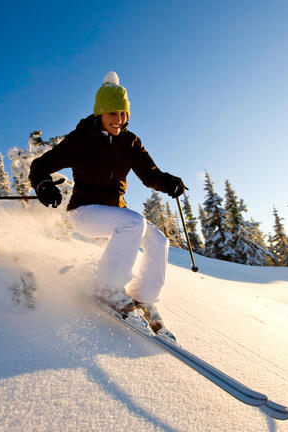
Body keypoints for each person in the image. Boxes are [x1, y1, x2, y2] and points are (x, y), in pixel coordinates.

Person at [29, 71, 185, 341]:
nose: (119, 120)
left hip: (116, 213)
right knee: (133, 222)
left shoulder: (130, 141)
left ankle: (145, 298)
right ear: (100, 112)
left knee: (158, 240)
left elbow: (149, 174)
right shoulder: (81, 139)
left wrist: (168, 182)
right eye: (113, 113)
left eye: (123, 114)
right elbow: (40, 165)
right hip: (84, 211)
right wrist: (43, 183)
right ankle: (106, 289)